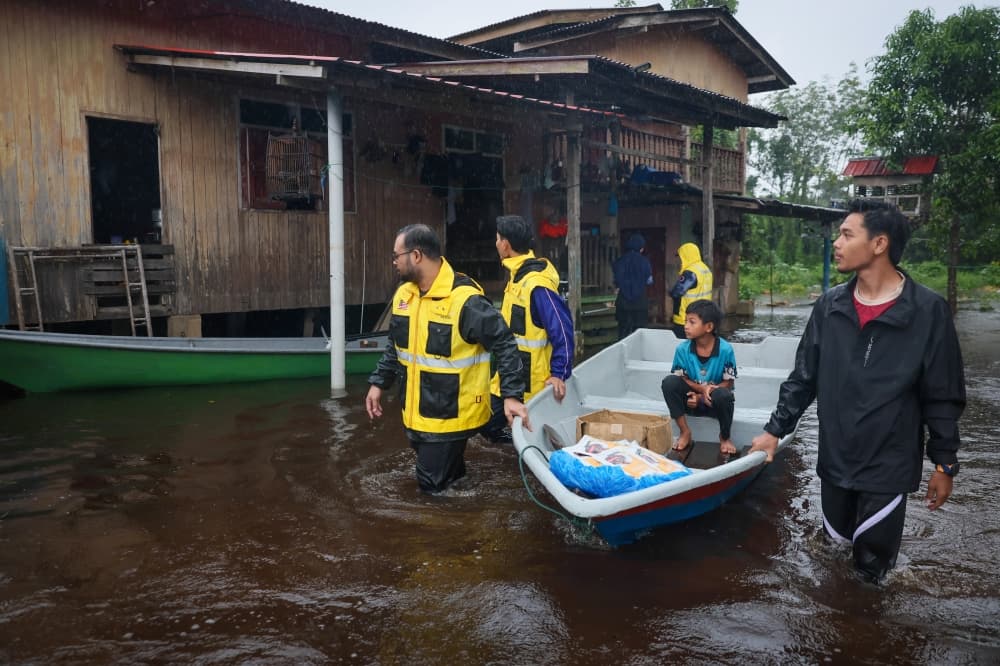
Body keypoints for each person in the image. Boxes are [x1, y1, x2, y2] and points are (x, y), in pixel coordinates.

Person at [749, 199, 966, 584]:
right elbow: (804, 377)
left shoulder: (927, 311)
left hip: (889, 465)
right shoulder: (830, 306)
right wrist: (773, 430)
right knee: (833, 559)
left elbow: (942, 393)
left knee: (871, 575)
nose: (837, 242)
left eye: (847, 234)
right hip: (835, 460)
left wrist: (944, 463)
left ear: (879, 244)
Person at [365, 224, 532, 493]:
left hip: (450, 417)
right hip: (416, 414)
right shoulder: (404, 295)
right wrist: (378, 383)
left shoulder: (465, 300)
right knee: (450, 485)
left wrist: (511, 395)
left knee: (430, 491)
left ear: (416, 255)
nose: (394, 262)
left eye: (397, 255)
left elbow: (505, 343)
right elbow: (396, 346)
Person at [482, 215, 575, 443]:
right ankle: (516, 446)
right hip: (510, 376)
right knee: (486, 424)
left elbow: (563, 330)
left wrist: (558, 374)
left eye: (497, 239)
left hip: (531, 383)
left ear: (505, 244)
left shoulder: (536, 284)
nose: (496, 244)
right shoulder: (517, 277)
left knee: (502, 428)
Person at [660, 299, 737, 456]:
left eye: (692, 322)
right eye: (685, 321)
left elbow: (728, 383)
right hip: (690, 400)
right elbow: (681, 378)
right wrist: (700, 389)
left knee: (725, 396)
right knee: (669, 382)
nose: (686, 326)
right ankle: (685, 432)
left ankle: (725, 437)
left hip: (712, 401)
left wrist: (702, 396)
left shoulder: (725, 350)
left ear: (709, 327)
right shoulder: (682, 349)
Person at [612, 232, 653, 340]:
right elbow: (649, 281)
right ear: (641, 248)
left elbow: (616, 280)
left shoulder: (619, 261)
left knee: (623, 332)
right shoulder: (645, 262)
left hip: (623, 302)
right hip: (640, 303)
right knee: (639, 334)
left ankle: (622, 354)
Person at [670, 242, 713, 339]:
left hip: (686, 319)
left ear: (687, 256)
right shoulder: (705, 269)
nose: (680, 260)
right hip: (703, 317)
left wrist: (670, 291)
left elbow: (676, 292)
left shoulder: (690, 272)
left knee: (684, 348)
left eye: (681, 257)